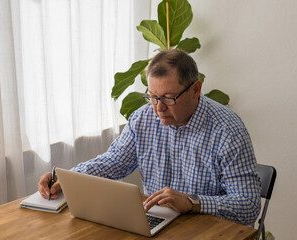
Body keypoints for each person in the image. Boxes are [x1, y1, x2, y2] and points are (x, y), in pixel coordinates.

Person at [38, 49, 261, 225]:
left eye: (168, 98)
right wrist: (65, 179)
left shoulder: (227, 130)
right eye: (152, 97)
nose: (158, 108)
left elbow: (248, 206)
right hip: (158, 224)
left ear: (196, 89)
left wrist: (193, 202)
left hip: (209, 229)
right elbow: (113, 162)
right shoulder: (143, 118)